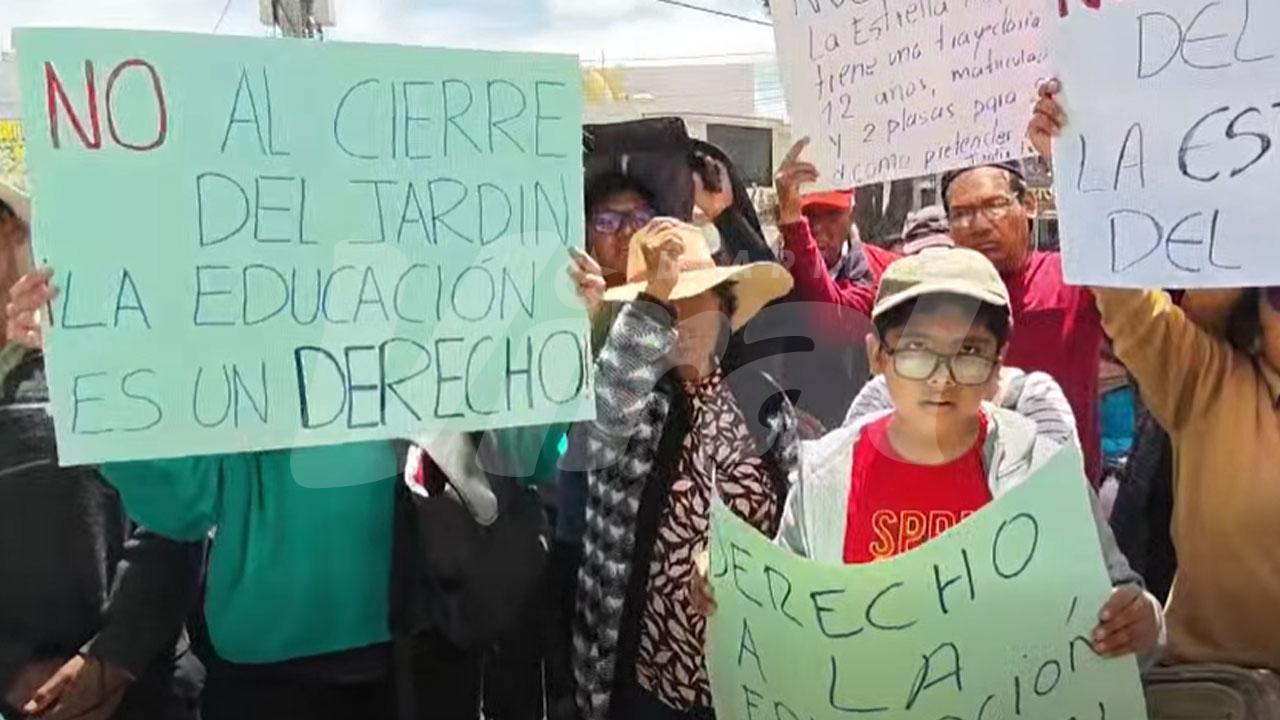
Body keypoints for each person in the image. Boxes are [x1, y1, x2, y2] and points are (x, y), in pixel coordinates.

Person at [699, 246, 1164, 666]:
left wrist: (1142, 622)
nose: (941, 379)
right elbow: (786, 608)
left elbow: (1118, 605)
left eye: (968, 351)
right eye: (917, 350)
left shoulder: (1042, 473)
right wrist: (731, 592)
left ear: (998, 362)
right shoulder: (825, 477)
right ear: (877, 356)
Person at [1031, 80, 1280, 671]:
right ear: (1254, 313)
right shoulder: (1208, 387)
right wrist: (1072, 164)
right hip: (1223, 693)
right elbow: (1128, 300)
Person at [569, 218, 798, 720]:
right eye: (668, 307)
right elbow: (604, 424)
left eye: (700, 299)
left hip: (748, 675)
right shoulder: (636, 402)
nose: (686, 319)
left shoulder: (762, 399)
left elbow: (794, 520)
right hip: (650, 680)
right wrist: (653, 297)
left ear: (726, 307)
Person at [1, 179, 203, 720]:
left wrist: (111, 660)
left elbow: (176, 514)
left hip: (148, 685)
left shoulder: (102, 351)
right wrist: (12, 672)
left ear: (14, 231)